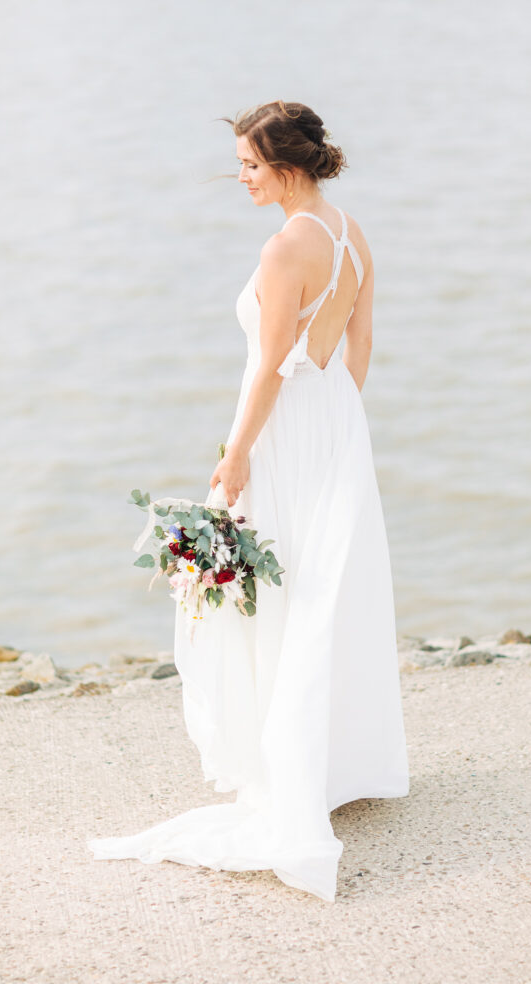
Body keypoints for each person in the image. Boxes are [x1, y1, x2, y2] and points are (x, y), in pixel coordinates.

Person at [87, 100, 409, 903]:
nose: (240, 178)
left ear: (287, 164)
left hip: (284, 429)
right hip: (336, 422)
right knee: (327, 590)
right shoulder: (350, 232)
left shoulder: (281, 251)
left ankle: (291, 768)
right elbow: (359, 343)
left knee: (274, 594)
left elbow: (267, 369)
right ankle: (341, 759)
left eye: (249, 166)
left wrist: (236, 457)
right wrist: (333, 426)